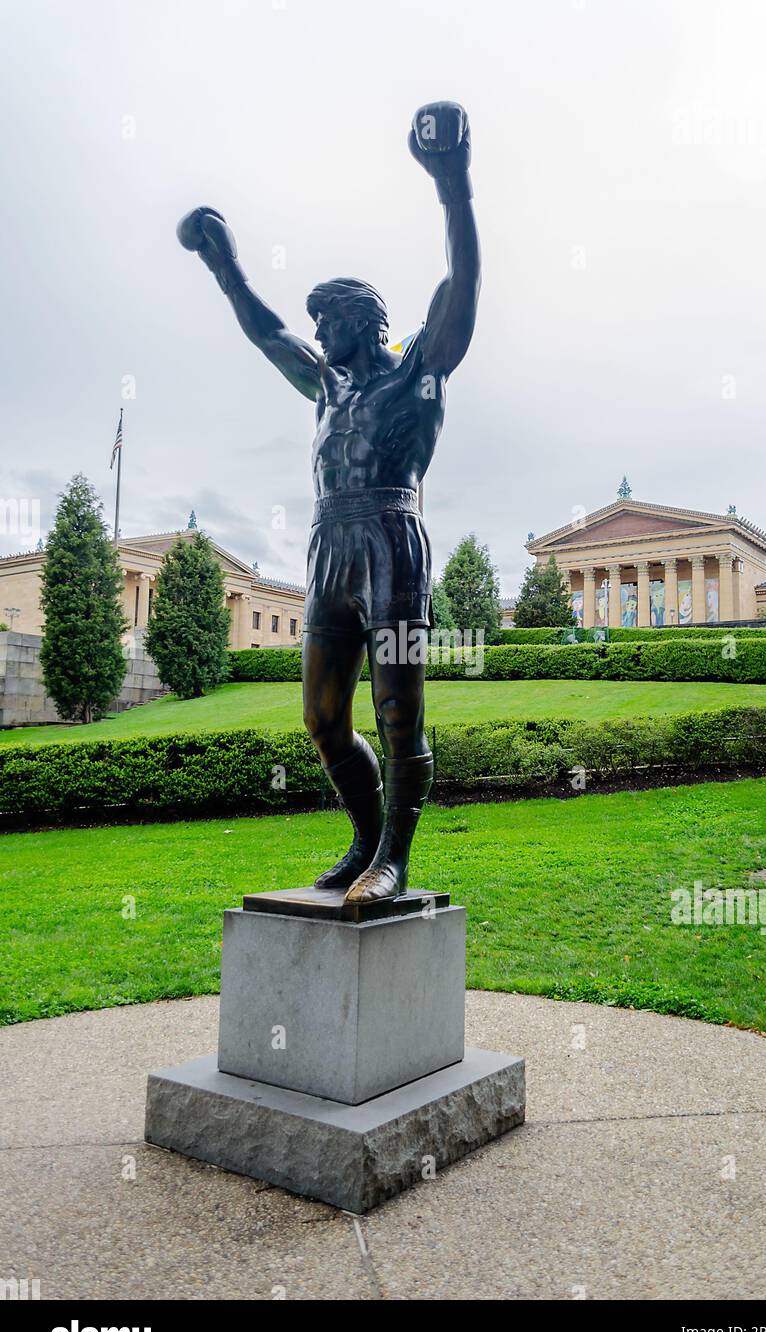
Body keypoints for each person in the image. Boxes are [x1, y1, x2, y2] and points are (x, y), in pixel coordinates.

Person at [177, 101, 481, 903]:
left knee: (397, 712)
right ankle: (362, 837)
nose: (317, 331)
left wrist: (453, 185)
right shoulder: (327, 386)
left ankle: (395, 858)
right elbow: (264, 331)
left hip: (392, 542)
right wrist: (224, 266)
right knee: (321, 718)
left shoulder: (417, 370)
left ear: (359, 320)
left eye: (327, 319)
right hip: (330, 549)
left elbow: (461, 285)